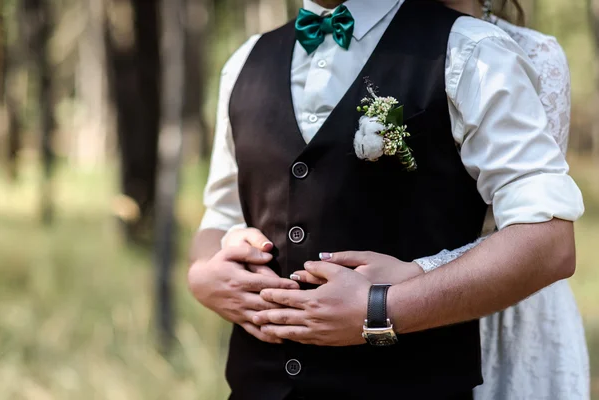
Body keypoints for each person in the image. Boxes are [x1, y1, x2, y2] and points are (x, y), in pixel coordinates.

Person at [188, 0, 585, 399]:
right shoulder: (245, 61)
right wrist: (204, 273)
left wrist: (380, 309)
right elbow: (219, 218)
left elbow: (548, 240)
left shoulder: (473, 50)